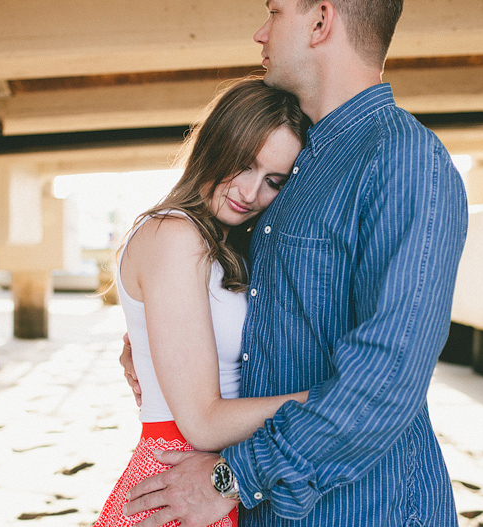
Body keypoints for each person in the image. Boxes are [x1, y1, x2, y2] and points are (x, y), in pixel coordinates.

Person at [119, 0, 469, 526]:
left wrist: (231, 477)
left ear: (321, 20)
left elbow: (389, 375)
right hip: (262, 505)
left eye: (275, 11)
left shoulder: (401, 159)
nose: (260, 33)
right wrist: (147, 344)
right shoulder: (299, 160)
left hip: (361, 509)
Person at [95, 78, 312, 527]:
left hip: (218, 480)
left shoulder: (227, 244)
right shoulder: (174, 235)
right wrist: (336, 402)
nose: (251, 193)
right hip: (178, 479)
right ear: (216, 144)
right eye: (243, 165)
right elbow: (204, 423)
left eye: (273, 181)